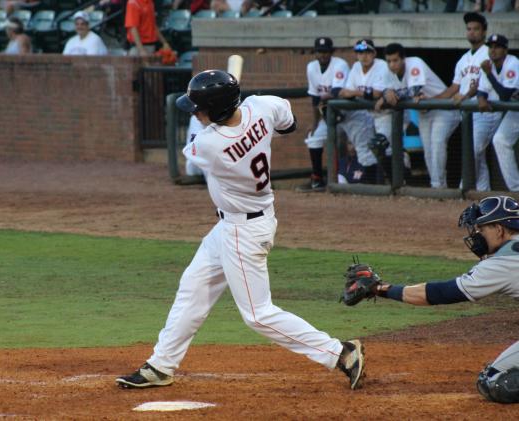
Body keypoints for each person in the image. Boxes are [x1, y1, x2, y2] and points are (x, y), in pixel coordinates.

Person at [115, 70, 366, 391]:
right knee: (193, 288)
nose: (195, 113)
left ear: (213, 110)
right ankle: (161, 365)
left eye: (199, 109)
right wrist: (249, 118)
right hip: (238, 223)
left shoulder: (209, 145)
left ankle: (340, 353)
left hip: (242, 232)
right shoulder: (261, 105)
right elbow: (288, 123)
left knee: (258, 315)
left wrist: (225, 118)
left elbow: (190, 152)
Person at [355, 195, 519, 404]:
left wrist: (380, 289)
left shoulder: (502, 263)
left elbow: (441, 293)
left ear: (499, 229)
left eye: (481, 229)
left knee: (495, 382)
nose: (477, 235)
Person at [377, 43, 461, 189]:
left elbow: (414, 90)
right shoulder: (387, 71)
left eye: (395, 60)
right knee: (428, 151)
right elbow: (383, 89)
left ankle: (438, 187)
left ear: (403, 58)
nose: (392, 64)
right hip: (425, 113)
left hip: (443, 109)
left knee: (437, 145)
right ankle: (437, 186)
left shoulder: (415, 63)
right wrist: (385, 94)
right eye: (389, 61)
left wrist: (390, 95)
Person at [436, 12, 491, 191]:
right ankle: (484, 192)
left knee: (473, 152)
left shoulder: (489, 53)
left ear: (484, 31)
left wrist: (466, 95)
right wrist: (431, 99)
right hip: (468, 114)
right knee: (478, 156)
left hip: (485, 110)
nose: (472, 32)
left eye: (476, 29)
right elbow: (454, 88)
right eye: (469, 29)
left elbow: (482, 83)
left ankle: (463, 189)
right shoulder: (463, 59)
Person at [297, 37, 350, 192]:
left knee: (343, 143)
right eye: (320, 51)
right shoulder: (311, 67)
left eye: (326, 51)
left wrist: (325, 98)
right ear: (315, 53)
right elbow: (314, 97)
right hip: (326, 115)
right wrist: (315, 123)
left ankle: (344, 178)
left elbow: (336, 92)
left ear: (331, 52)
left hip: (346, 114)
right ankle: (317, 179)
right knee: (313, 139)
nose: (322, 54)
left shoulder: (340, 65)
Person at [338, 39, 389, 184]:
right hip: (368, 113)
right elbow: (345, 93)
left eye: (367, 52)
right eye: (360, 52)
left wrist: (355, 92)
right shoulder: (355, 67)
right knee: (368, 150)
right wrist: (362, 93)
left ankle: (395, 183)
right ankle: (375, 185)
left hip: (387, 115)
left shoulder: (382, 66)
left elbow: (377, 94)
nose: (364, 56)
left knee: (384, 148)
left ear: (374, 53)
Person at [477, 35, 519, 192]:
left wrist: (489, 74)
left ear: (505, 50)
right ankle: (516, 189)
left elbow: (505, 96)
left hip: (514, 104)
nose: (493, 50)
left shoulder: (513, 63)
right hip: (517, 109)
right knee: (500, 140)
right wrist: (481, 98)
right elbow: (482, 90)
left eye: (497, 46)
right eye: (490, 47)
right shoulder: (490, 66)